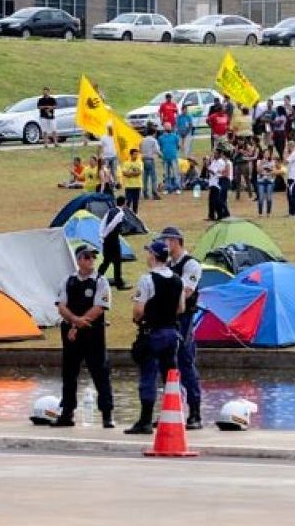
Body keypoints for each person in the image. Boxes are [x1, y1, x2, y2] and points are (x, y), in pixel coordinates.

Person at [124, 240, 184, 435]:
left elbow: (138, 310)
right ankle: (173, 416)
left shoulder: (147, 279)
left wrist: (139, 316)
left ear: (153, 256)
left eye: (149, 252)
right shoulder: (177, 279)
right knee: (171, 378)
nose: (147, 256)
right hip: (172, 333)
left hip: (152, 334)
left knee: (148, 376)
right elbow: (181, 308)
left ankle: (145, 421)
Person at [52, 245, 115, 428]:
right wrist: (73, 320)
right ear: (79, 260)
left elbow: (99, 307)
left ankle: (107, 414)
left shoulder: (101, 281)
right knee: (69, 373)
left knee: (100, 372)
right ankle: (67, 412)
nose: (91, 261)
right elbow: (61, 305)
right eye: (87, 257)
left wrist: (78, 324)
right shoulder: (68, 281)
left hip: (92, 332)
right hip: (71, 333)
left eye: (93, 257)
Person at [156, 227, 205, 429]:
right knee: (166, 365)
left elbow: (184, 292)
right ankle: (170, 411)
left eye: (166, 241)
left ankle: (195, 412)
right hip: (166, 319)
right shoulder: (167, 265)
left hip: (183, 319)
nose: (164, 245)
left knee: (185, 362)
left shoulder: (191, 265)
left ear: (176, 241)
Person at [157, 124, 181, 195]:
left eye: (169, 127)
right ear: (164, 128)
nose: (169, 128)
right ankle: (167, 188)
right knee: (167, 174)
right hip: (165, 158)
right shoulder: (161, 138)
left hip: (173, 157)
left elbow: (178, 146)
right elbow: (159, 147)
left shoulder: (175, 136)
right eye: (167, 127)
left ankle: (177, 188)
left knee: (175, 173)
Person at [120, 149, 144, 214]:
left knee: (136, 202)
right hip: (129, 185)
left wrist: (129, 173)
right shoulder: (126, 163)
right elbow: (124, 173)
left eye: (137, 154)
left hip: (137, 185)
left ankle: (135, 214)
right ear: (131, 155)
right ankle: (126, 214)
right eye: (134, 154)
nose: (136, 156)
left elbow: (139, 172)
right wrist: (134, 173)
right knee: (128, 201)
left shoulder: (140, 163)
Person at [255, 152, 278, 217]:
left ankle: (268, 213)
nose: (266, 155)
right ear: (263, 154)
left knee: (269, 197)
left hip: (269, 181)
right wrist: (262, 163)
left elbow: (274, 171)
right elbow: (258, 171)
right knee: (261, 198)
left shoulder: (272, 162)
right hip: (261, 181)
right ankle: (260, 213)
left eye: (267, 154)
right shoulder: (259, 161)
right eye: (265, 153)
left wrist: (268, 172)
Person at [283, 141, 295, 216]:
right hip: (291, 176)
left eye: (288, 147)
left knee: (291, 194)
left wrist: (284, 153)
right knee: (290, 194)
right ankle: (292, 211)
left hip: (293, 177)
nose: (287, 148)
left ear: (291, 146)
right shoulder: (293, 154)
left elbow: (285, 162)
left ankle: (293, 212)